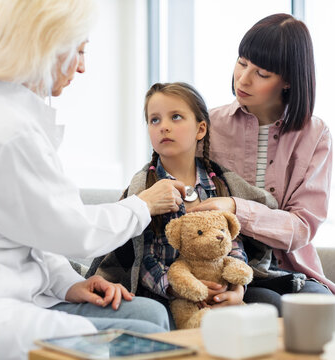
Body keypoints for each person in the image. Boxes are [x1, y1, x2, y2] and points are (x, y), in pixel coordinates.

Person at [0, 1, 186, 359]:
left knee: (150, 314)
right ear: (47, 46)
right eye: (79, 50)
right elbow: (72, 231)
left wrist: (69, 283)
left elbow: (24, 228)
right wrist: (143, 205)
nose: (82, 66)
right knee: (142, 340)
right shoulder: (7, 129)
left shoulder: (2, 115)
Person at [187, 13, 335, 311]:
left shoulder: (315, 135)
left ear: (289, 81)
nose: (243, 79)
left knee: (318, 307)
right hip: (221, 264)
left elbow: (302, 227)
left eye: (262, 74)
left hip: (286, 268)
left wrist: (236, 208)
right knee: (269, 308)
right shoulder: (208, 125)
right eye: (242, 63)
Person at [87, 82, 278, 327]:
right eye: (154, 120)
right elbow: (142, 257)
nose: (163, 126)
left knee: (270, 304)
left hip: (219, 286)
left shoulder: (219, 184)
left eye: (175, 117)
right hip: (164, 293)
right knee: (161, 321)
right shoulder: (145, 187)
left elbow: (233, 243)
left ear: (200, 129)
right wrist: (177, 288)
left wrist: (235, 287)